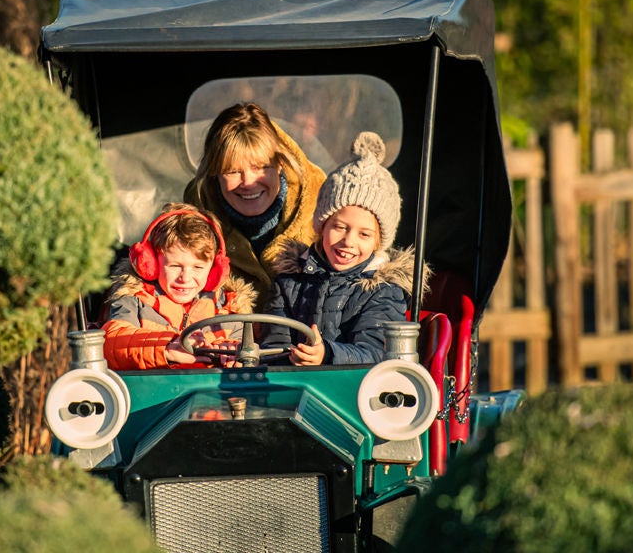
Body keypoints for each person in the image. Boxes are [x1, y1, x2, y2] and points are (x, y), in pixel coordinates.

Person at [261, 131, 419, 366]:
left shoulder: (383, 290)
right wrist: (284, 357)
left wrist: (328, 354)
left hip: (354, 394)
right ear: (322, 226)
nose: (348, 241)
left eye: (364, 234)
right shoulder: (289, 282)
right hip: (292, 389)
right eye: (340, 227)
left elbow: (378, 352)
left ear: (378, 242)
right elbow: (273, 346)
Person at [183, 102, 326, 303]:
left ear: (280, 164)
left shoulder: (328, 214)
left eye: (260, 167)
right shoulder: (189, 224)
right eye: (232, 171)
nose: (248, 182)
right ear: (214, 173)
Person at [102, 203, 255, 370]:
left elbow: (242, 347)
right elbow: (109, 344)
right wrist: (167, 347)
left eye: (198, 267)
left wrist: (238, 355)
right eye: (175, 266)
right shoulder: (134, 300)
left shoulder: (229, 308)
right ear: (151, 264)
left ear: (215, 271)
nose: (185, 278)